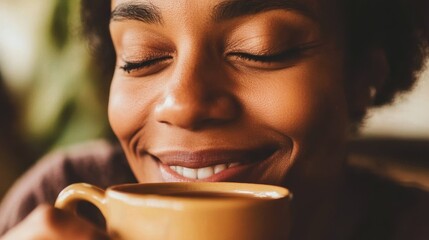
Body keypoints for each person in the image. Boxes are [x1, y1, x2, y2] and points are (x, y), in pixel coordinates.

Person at [1, 0, 429, 239]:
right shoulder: (57, 201)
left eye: (260, 50)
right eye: (140, 59)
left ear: (362, 77)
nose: (182, 103)